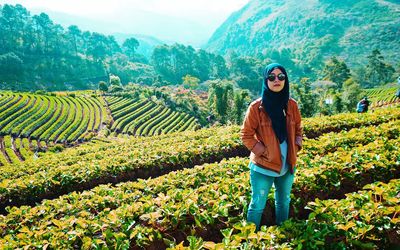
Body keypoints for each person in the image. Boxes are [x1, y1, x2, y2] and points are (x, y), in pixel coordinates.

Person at [240, 63, 302, 231]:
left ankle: (283, 234)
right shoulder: (256, 107)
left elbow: (298, 129)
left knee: (283, 201)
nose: (277, 80)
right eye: (272, 77)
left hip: (287, 163)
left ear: (285, 80)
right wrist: (263, 152)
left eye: (281, 77)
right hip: (263, 166)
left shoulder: (292, 105)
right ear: (265, 80)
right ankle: (251, 239)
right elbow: (246, 135)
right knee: (257, 204)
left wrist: (296, 147)